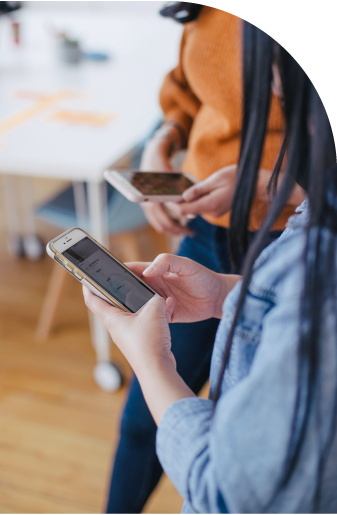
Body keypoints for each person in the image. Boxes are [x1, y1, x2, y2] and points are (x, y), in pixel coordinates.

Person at [84, 18, 337, 515]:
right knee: (140, 420)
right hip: (216, 231)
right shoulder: (201, 16)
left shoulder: (314, 261)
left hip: (273, 234)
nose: (268, 86)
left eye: (275, 81)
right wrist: (229, 293)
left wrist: (150, 361)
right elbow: (183, 88)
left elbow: (229, 489)